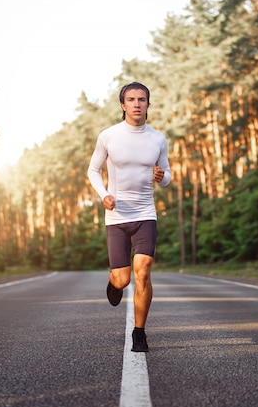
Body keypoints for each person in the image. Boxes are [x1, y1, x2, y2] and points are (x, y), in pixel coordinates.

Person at [87, 81, 171, 352]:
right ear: (122, 105)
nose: (137, 104)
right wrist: (104, 195)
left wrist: (162, 177)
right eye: (132, 99)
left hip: (146, 214)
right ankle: (114, 282)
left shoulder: (158, 139)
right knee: (123, 279)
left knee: (143, 272)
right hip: (117, 217)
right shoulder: (109, 136)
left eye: (142, 99)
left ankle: (139, 332)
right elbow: (92, 170)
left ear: (148, 104)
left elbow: (168, 176)